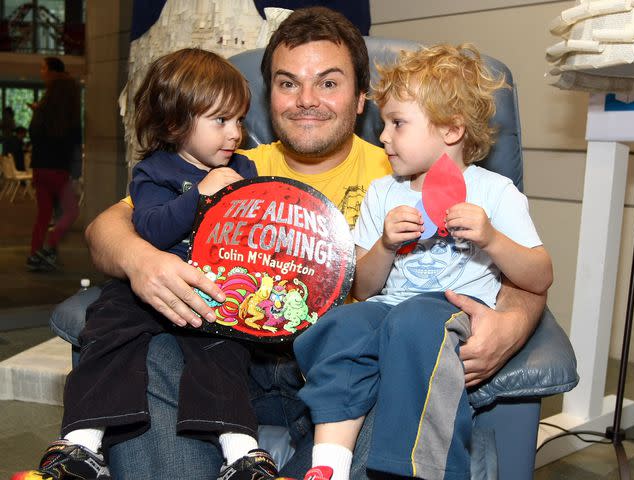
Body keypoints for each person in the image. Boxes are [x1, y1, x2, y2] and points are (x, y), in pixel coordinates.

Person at [83, 7, 546, 479]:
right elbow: (111, 226)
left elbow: (519, 268)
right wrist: (141, 261)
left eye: (328, 83)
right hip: (230, 359)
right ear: (268, 99)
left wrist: (511, 322)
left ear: (362, 97)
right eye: (287, 83)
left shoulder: (399, 170)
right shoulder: (228, 166)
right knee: (154, 345)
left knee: (404, 364)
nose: (307, 99)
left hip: (349, 365)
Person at [292, 44, 553, 480]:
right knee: (339, 326)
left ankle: (419, 469)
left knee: (414, 320)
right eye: (384, 124)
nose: (383, 137)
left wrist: (492, 239)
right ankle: (330, 464)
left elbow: (540, 274)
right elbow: (364, 289)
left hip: (449, 309)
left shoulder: (495, 191)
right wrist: (385, 246)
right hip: (387, 309)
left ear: (450, 130)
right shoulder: (382, 193)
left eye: (397, 123)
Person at [19, 49, 280, 480]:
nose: (235, 133)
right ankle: (82, 444)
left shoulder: (244, 168)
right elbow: (152, 229)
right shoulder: (154, 172)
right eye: (220, 121)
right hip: (148, 286)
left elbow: (257, 236)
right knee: (107, 331)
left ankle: (242, 452)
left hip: (214, 287)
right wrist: (202, 194)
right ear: (176, 122)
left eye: (239, 120)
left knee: (223, 352)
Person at [26, 56, 81, 272]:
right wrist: (75, 172)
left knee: (44, 213)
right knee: (70, 212)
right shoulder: (69, 107)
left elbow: (34, 134)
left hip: (41, 167)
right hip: (59, 169)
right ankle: (48, 247)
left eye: (43, 68)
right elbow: (74, 140)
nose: (41, 72)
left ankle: (35, 253)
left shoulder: (44, 107)